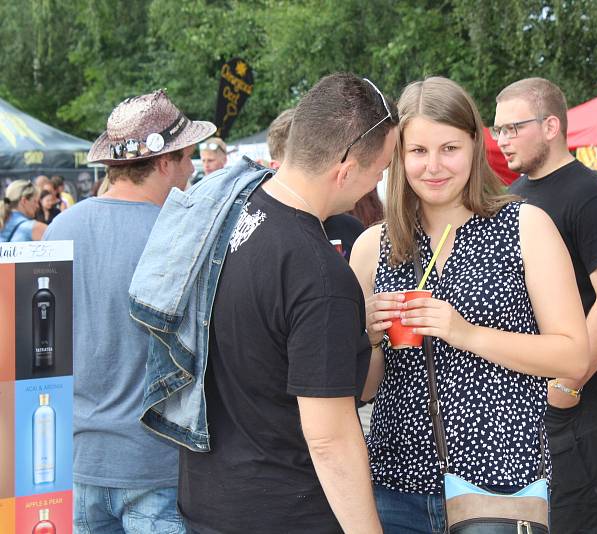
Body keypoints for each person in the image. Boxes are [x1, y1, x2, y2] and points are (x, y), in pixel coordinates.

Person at [350, 76, 590, 532]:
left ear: (476, 145)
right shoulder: (373, 246)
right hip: (396, 483)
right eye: (418, 151)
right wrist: (370, 340)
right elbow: (361, 391)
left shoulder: (525, 226)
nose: (433, 166)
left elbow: (573, 355)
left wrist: (467, 333)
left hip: (500, 480)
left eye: (449, 148)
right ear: (398, 155)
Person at [179, 73, 397, 534]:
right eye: (380, 169)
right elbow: (330, 438)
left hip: (209, 499)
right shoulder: (319, 273)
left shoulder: (228, 215)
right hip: (285, 511)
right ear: (345, 169)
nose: (378, 182)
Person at [44, 89, 215, 533]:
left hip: (75, 459)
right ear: (163, 163)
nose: (192, 168)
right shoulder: (178, 236)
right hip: (154, 465)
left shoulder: (62, 227)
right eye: (186, 157)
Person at [494, 77, 597, 533]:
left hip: (582, 398)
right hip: (527, 398)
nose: (503, 139)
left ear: (551, 125)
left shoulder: (590, 196)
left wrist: (565, 388)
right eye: (498, 130)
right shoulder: (512, 196)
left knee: (579, 520)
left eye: (514, 128)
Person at [267, 107, 366, 259]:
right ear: (276, 167)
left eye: (319, 158)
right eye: (302, 163)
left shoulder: (352, 229)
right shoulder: (265, 235)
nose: (315, 169)